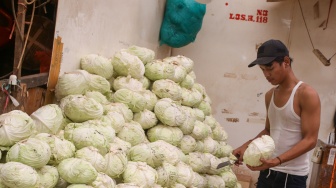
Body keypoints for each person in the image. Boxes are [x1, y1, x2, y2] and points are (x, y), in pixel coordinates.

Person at [233, 39, 321, 188]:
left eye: (270, 68)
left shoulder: (306, 94)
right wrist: (247, 145)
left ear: (286, 62)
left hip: (292, 177)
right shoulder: (269, 95)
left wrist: (278, 160)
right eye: (262, 70)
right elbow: (269, 130)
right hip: (267, 171)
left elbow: (311, 140)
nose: (266, 74)